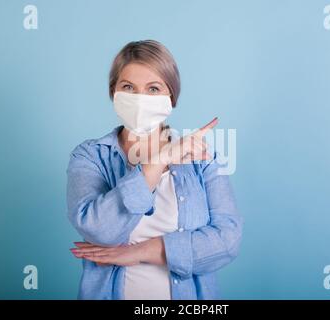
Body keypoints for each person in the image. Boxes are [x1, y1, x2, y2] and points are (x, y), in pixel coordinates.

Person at [66, 40, 243, 300]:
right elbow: (98, 229)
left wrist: (138, 251)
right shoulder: (91, 156)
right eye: (128, 87)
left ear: (171, 96)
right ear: (113, 92)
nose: (140, 99)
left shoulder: (203, 157)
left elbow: (228, 239)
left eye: (153, 88)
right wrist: (159, 160)